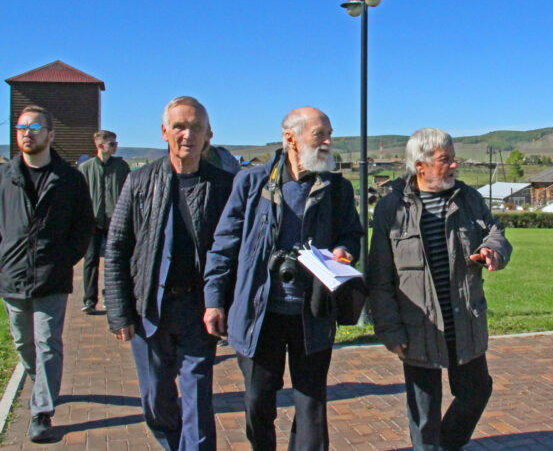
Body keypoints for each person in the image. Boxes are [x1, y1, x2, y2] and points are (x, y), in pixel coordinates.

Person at [203, 106, 362, 451]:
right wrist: (214, 301)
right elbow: (224, 245)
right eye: (320, 134)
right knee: (258, 402)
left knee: (311, 409)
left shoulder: (337, 188)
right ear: (290, 137)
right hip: (259, 315)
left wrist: (344, 252)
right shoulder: (251, 182)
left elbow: (352, 235)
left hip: (313, 314)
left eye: (329, 133)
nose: (328, 141)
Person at [366, 128, 512, 451]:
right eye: (446, 160)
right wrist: (389, 329)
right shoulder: (392, 209)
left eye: (453, 158)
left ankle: (444, 446)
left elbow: (496, 233)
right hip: (418, 327)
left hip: (464, 320)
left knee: (477, 390)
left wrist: (493, 250)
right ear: (420, 165)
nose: (454, 166)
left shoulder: (469, 199)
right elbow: (379, 278)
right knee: (423, 415)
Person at [104, 96, 234, 451]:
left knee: (197, 400)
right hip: (151, 308)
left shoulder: (224, 186)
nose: (187, 134)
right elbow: (116, 247)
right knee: (156, 399)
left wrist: (223, 304)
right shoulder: (139, 182)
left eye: (195, 127)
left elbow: (234, 252)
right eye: (179, 126)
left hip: (198, 309)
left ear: (209, 134)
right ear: (164, 131)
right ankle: (173, 443)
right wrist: (119, 312)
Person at [0, 106, 94, 442]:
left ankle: (41, 411)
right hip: (11, 276)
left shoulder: (69, 179)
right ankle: (39, 379)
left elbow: (84, 225)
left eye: (36, 126)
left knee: (47, 342)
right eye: (21, 127)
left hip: (51, 278)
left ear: (50, 135)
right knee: (24, 342)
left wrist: (63, 258)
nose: (27, 132)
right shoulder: (5, 177)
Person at [78, 130, 130, 314]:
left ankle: (111, 297)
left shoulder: (122, 167)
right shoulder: (85, 169)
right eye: (112, 144)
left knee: (113, 261)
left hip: (115, 222)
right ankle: (89, 300)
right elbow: (78, 197)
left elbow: (129, 194)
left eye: (115, 143)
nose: (115, 147)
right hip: (92, 222)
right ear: (100, 146)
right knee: (90, 261)